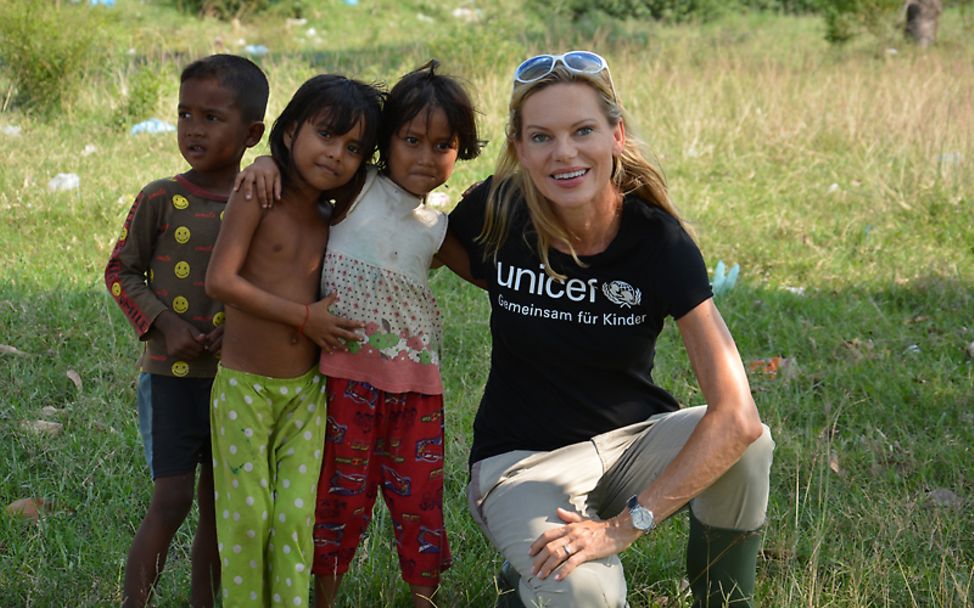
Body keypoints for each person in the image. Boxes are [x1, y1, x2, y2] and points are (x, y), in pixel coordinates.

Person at [446, 51, 774, 608]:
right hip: (521, 463)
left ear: (616, 135)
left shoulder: (658, 243)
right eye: (542, 137)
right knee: (584, 594)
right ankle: (526, 587)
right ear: (520, 149)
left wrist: (623, 526)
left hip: (629, 446)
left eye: (583, 131)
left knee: (748, 444)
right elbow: (417, 236)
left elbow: (736, 416)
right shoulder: (497, 208)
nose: (565, 153)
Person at [233, 60, 482, 608]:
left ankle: (423, 598)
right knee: (339, 500)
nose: (423, 157)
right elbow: (302, 176)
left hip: (419, 390)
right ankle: (324, 598)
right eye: (411, 139)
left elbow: (492, 278)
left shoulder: (437, 227)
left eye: (442, 145)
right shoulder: (353, 189)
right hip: (345, 382)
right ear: (384, 141)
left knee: (419, 502)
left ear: (459, 151)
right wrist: (262, 163)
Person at [203, 73, 383, 607]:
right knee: (248, 518)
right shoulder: (259, 193)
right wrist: (305, 318)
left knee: (293, 518)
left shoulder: (338, 214)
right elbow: (221, 282)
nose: (336, 155)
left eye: (353, 147)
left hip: (307, 393)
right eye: (325, 136)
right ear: (288, 133)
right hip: (244, 391)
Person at [104, 54, 268, 608]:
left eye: (212, 117)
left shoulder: (260, 202)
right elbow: (120, 270)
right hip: (170, 376)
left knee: (219, 505)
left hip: (236, 380)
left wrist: (242, 330)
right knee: (170, 500)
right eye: (184, 115)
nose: (194, 129)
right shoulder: (160, 197)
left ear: (252, 132)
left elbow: (272, 278)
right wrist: (164, 323)